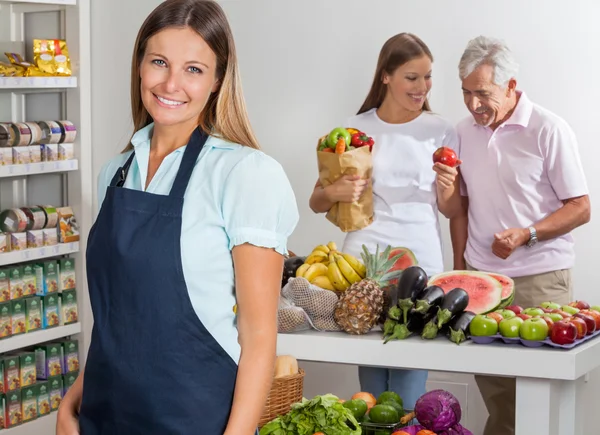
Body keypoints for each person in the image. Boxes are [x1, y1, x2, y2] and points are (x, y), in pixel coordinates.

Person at [56, 1, 299, 434]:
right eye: (160, 62)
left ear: (217, 79)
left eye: (193, 69)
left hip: (195, 418)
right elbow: (116, 323)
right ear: (140, 67)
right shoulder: (115, 173)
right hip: (103, 415)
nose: (171, 83)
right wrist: (70, 406)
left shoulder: (246, 175)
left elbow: (259, 338)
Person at [309, 33, 463, 411]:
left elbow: (452, 209)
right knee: (371, 387)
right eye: (412, 77)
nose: (422, 87)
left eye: (428, 77)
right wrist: (336, 191)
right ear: (386, 77)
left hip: (421, 263)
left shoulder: (441, 129)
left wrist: (446, 190)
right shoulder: (355, 128)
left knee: (410, 385)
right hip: (362, 266)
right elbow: (316, 200)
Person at [451, 35, 591, 435]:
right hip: (482, 282)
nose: (473, 104)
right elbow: (458, 208)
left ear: (511, 87)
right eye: (465, 92)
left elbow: (581, 207)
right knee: (498, 399)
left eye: (483, 93)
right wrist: (460, 269)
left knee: (542, 395)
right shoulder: (462, 131)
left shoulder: (548, 128)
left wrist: (528, 234)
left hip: (541, 281)